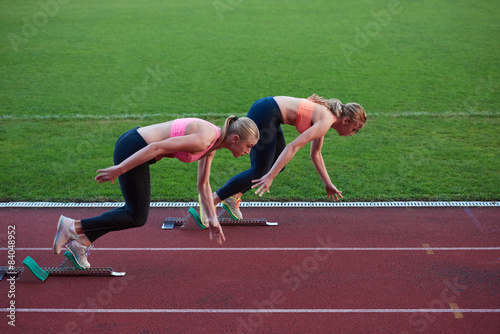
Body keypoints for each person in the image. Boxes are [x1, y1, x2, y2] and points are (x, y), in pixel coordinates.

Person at [52, 116, 259, 268]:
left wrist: (212, 219)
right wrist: (120, 169)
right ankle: (74, 227)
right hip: (135, 148)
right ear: (235, 138)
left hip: (137, 148)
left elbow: (203, 185)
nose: (248, 151)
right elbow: (156, 148)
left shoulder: (212, 144)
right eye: (248, 146)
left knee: (133, 213)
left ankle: (80, 244)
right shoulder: (204, 139)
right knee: (136, 215)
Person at [213, 95, 366, 219]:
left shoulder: (326, 117)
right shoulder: (326, 121)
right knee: (261, 171)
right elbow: (293, 147)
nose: (351, 134)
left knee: (278, 165)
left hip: (268, 111)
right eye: (353, 129)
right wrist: (270, 177)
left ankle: (232, 197)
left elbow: (316, 154)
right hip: (266, 112)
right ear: (345, 121)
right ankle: (213, 199)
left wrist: (328, 183)